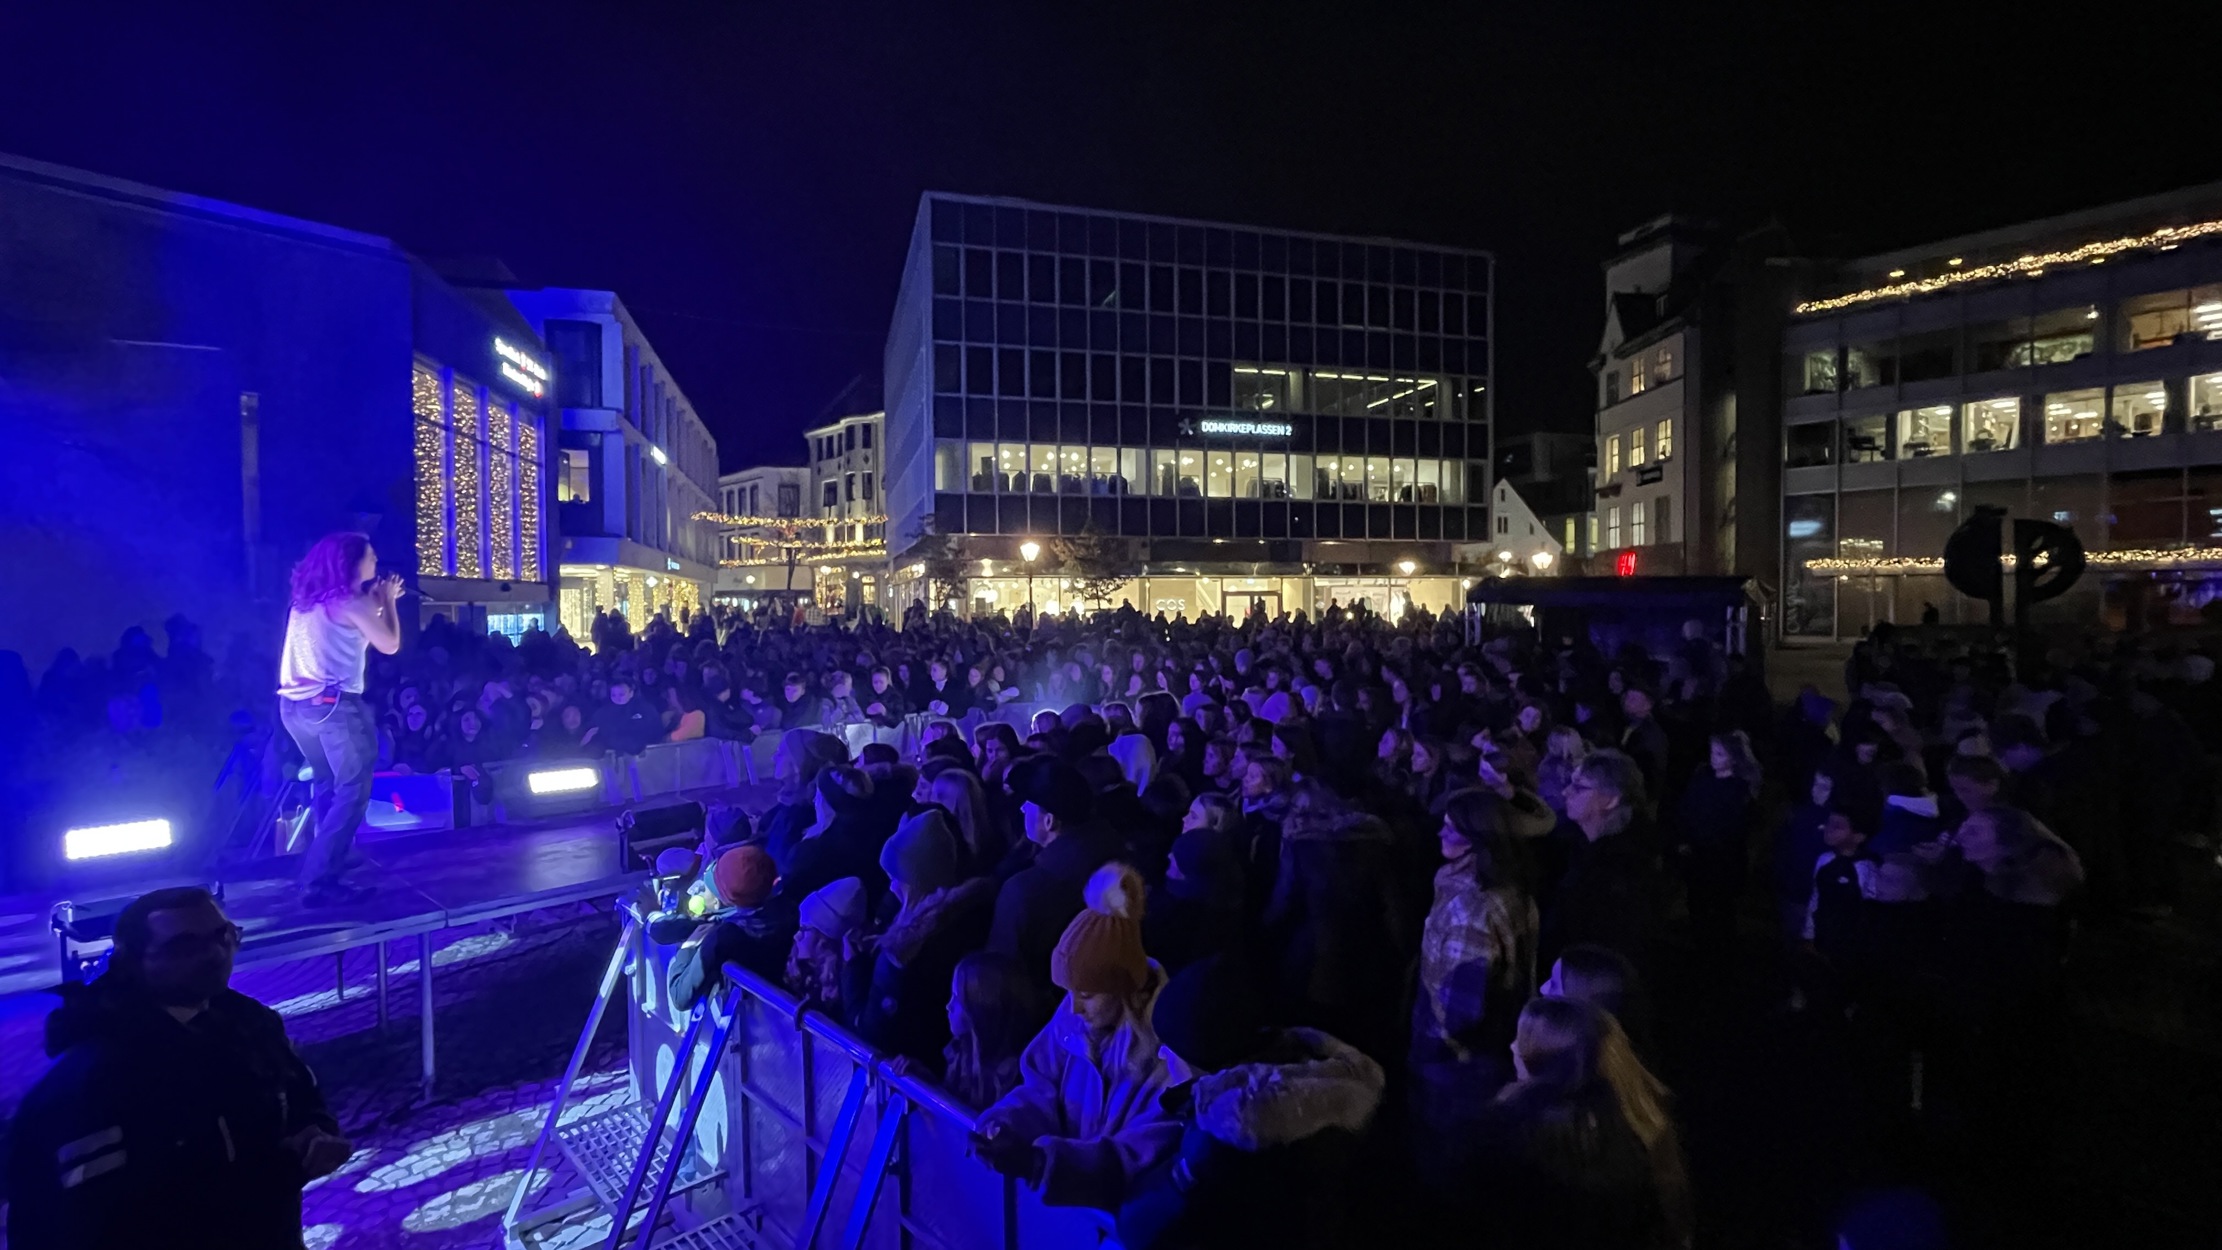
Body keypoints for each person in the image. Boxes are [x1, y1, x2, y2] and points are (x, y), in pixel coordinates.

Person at [8, 888, 351, 1250]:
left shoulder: (248, 1020)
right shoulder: (96, 1077)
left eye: (224, 936)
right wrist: (281, 1170)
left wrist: (317, 1133)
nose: (215, 954)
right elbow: (105, 1219)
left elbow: (300, 1093)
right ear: (133, 961)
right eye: (184, 946)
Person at [973, 863, 1192, 1210]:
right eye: (1070, 992)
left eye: (1087, 994)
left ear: (1123, 989)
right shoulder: (1074, 1016)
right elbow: (1041, 1086)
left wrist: (1046, 1166)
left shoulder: (1170, 1055)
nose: (1073, 1007)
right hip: (1061, 1211)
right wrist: (1006, 1126)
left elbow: (1139, 1154)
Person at [1467, 997, 1691, 1250]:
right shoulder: (1629, 1126)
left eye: (1523, 1039)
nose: (1513, 1047)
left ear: (1545, 1056)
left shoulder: (1516, 1135)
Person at [1410, 790, 1538, 1185]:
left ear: (1479, 839)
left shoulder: (1471, 909)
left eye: (1452, 830)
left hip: (1455, 1058)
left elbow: (1461, 1008)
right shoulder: (1513, 890)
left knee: (1443, 1153)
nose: (1440, 834)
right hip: (1493, 1045)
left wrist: (1432, 1050)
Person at [275, 532, 402, 907]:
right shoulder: (349, 600)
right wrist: (390, 603)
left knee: (328, 784)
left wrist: (376, 600)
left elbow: (354, 633)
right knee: (353, 788)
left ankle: (331, 853)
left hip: (296, 709)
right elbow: (390, 643)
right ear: (351, 563)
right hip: (334, 706)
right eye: (371, 556)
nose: (376, 561)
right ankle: (318, 880)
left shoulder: (307, 602)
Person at [854, 808, 998, 1064]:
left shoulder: (912, 946)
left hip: (906, 1068)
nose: (891, 886)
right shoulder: (964, 915)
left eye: (896, 878)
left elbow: (875, 1030)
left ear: (916, 882)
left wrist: (852, 969)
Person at [989, 756, 1123, 989]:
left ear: (1049, 821)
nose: (1022, 809)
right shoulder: (1118, 853)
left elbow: (1003, 974)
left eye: (1029, 804)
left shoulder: (1023, 892)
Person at [1542, 749, 1665, 975]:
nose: (1566, 791)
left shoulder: (1625, 872)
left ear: (1611, 799)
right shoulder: (1577, 842)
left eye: (1579, 787)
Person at [1670, 730, 1761, 953]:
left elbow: (1734, 828)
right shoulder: (1702, 778)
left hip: (1721, 861)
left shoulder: (1739, 789)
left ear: (1733, 757)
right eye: (1713, 752)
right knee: (1696, 903)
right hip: (1696, 857)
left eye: (1719, 754)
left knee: (1721, 908)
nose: (1713, 758)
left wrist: (1702, 843)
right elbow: (1685, 810)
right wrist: (1683, 839)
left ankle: (1721, 952)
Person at [936, 951, 1039, 1111]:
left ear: (981, 1010)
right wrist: (922, 1080)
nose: (948, 1006)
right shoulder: (961, 1051)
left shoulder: (1014, 1075)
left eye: (957, 999)